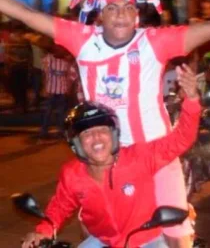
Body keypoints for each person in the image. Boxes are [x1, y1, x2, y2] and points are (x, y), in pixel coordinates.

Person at [0, 0, 210, 247]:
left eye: (127, 7)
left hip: (155, 154)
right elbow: (25, 13)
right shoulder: (81, 39)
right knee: (95, 229)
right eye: (112, 8)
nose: (120, 14)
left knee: (176, 235)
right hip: (103, 157)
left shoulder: (156, 41)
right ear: (100, 14)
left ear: (137, 14)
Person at [21, 65, 200, 248]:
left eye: (102, 130)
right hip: (105, 241)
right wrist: (43, 230)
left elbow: (181, 140)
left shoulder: (138, 157)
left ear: (114, 135)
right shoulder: (72, 174)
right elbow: (60, 207)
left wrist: (192, 99)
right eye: (87, 134)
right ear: (76, 144)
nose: (96, 138)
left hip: (147, 239)